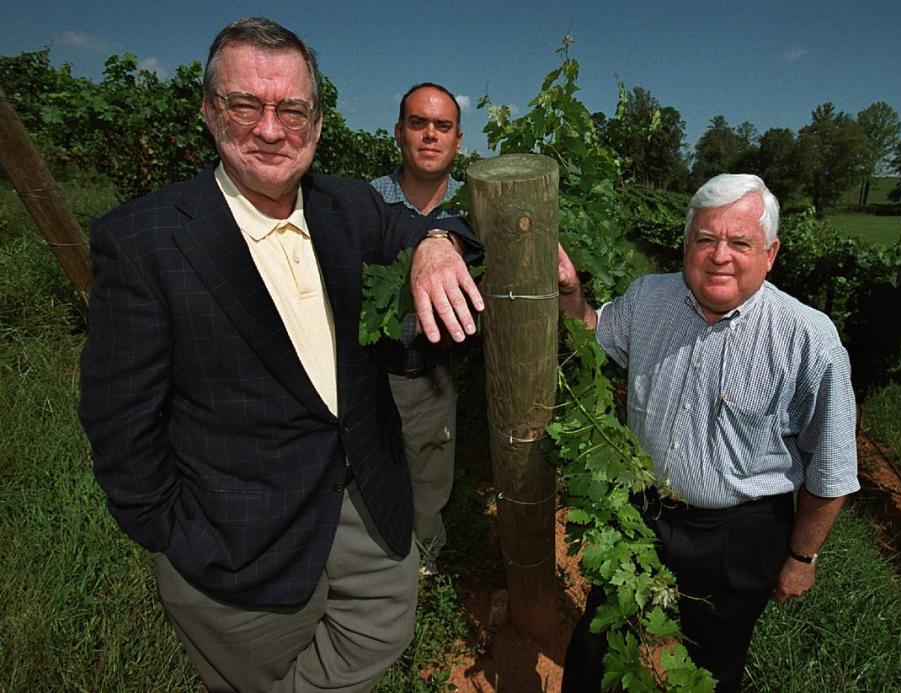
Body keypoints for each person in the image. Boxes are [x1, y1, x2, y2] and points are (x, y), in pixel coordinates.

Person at [78, 17, 482, 692]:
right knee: (254, 668)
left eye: (291, 109)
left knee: (387, 623)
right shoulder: (145, 239)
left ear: (318, 122)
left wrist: (436, 245)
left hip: (363, 497)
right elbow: (120, 423)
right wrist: (175, 536)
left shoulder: (347, 206)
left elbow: (415, 226)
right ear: (210, 111)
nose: (271, 129)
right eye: (246, 105)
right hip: (234, 536)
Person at [559, 174, 859, 692]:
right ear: (687, 245)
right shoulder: (649, 298)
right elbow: (589, 330)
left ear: (770, 253)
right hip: (640, 511)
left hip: (739, 534)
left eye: (740, 242)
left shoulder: (809, 339)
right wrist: (569, 293)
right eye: (706, 239)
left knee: (714, 663)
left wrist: (801, 558)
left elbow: (831, 470)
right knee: (597, 644)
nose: (720, 256)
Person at [370, 82, 464, 574]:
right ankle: (374, 558)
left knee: (430, 465)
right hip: (368, 367)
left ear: (458, 140)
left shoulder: (476, 208)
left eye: (442, 126)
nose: (430, 135)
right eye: (418, 124)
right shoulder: (367, 204)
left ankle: (423, 560)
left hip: (435, 371)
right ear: (398, 133)